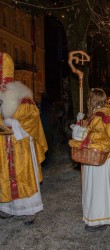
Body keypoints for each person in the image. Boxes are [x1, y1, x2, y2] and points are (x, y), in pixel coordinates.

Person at [0, 52, 48, 225]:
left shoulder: (22, 95)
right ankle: (8, 208)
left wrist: (14, 124)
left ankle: (29, 209)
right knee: (5, 174)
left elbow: (33, 118)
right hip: (3, 144)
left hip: (21, 145)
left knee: (23, 176)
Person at [69, 88, 110, 232]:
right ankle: (101, 217)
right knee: (98, 188)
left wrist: (78, 131)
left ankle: (98, 220)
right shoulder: (99, 114)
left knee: (97, 189)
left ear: (92, 99)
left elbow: (96, 137)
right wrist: (79, 122)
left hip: (97, 159)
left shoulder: (100, 115)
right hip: (98, 159)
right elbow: (90, 129)